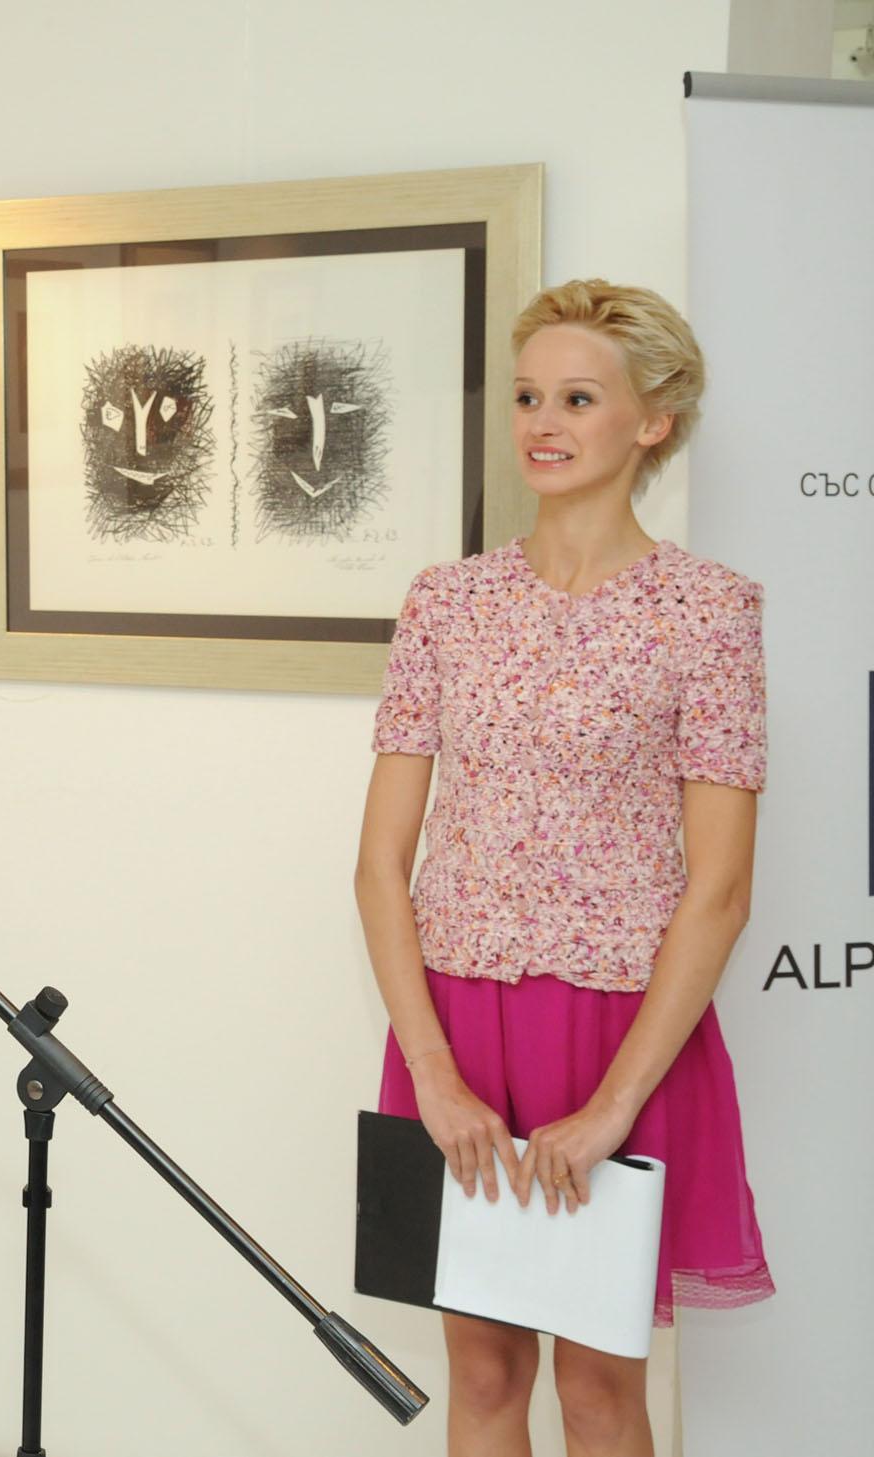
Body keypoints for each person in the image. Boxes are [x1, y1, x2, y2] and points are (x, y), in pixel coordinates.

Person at [354, 280, 774, 1456]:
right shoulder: (444, 603)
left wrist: (610, 1107)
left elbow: (719, 891)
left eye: (577, 398)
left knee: (597, 1387)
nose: (541, 422)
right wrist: (432, 1075)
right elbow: (379, 864)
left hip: (619, 1035)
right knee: (482, 1371)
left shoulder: (709, 612)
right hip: (451, 1030)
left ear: (651, 419)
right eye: (527, 395)